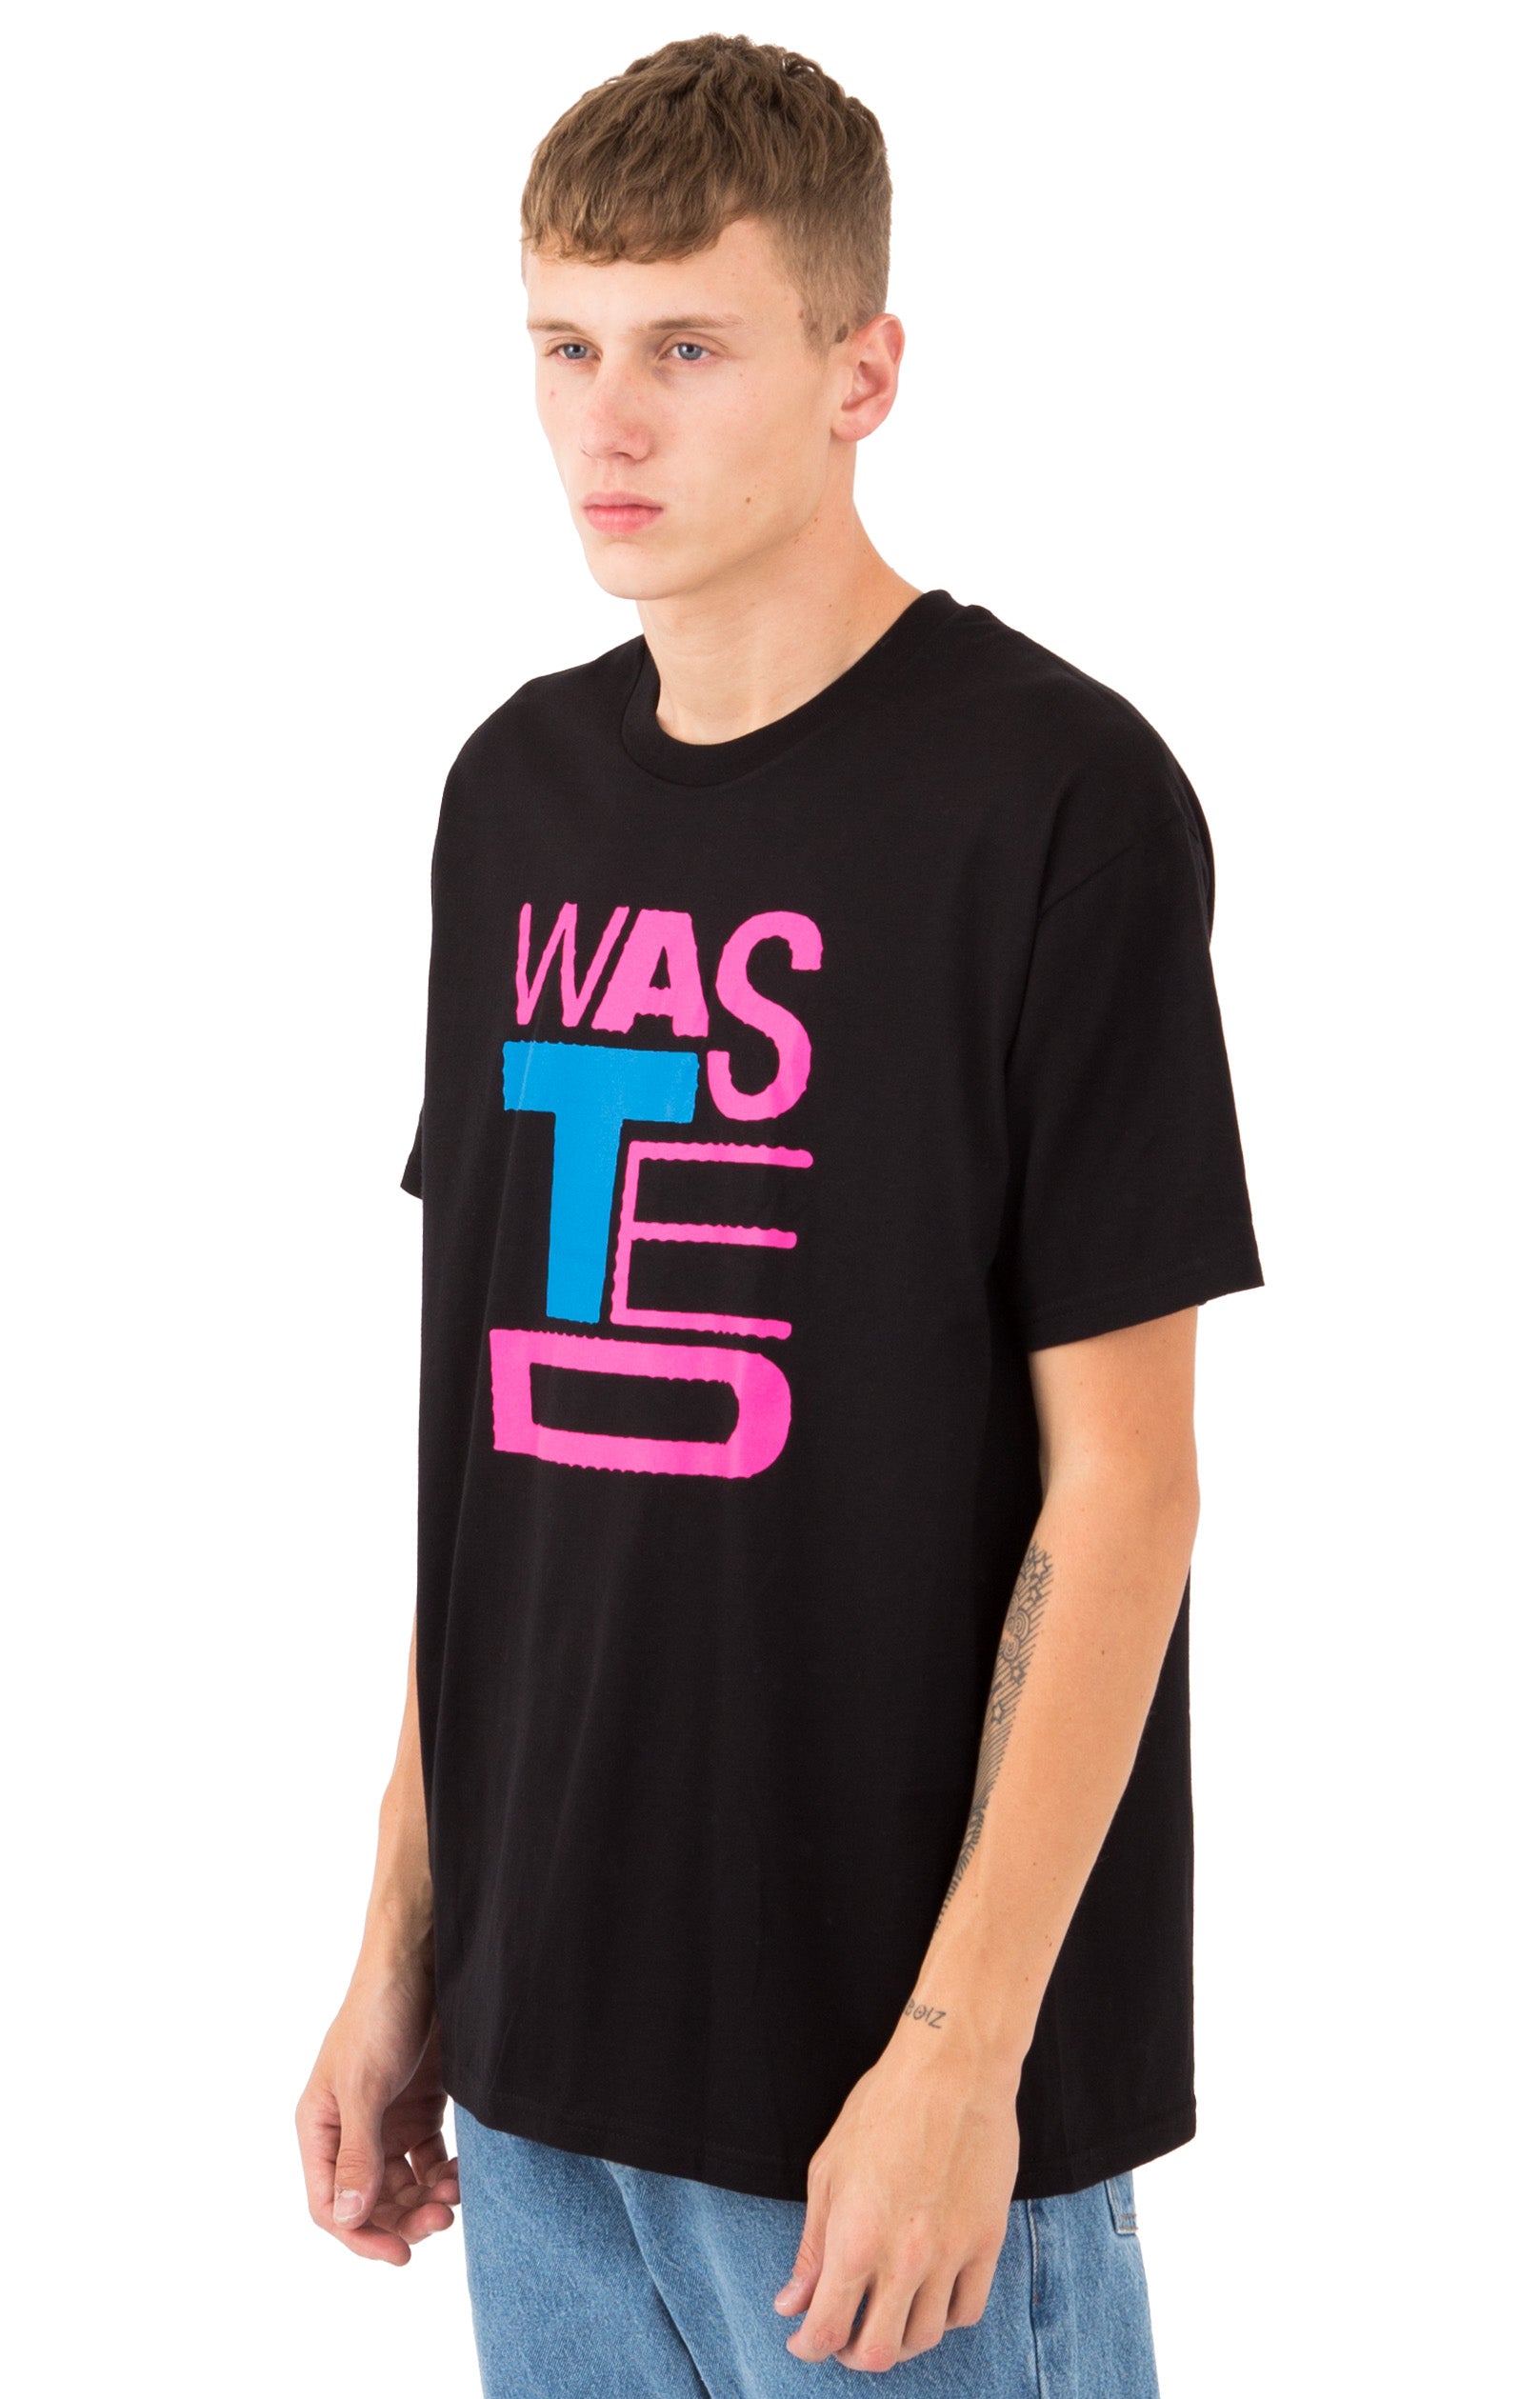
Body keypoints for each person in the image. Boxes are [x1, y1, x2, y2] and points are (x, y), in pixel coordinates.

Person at [295, 33, 1264, 2394]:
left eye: (687, 349)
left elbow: (1125, 1492)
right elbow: (507, 1438)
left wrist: (958, 2056)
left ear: (862, 373)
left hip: (874, 2122)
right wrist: (402, 1940)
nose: (605, 424)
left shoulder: (1056, 802)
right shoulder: (512, 796)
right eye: (563, 348)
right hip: (541, 2090)